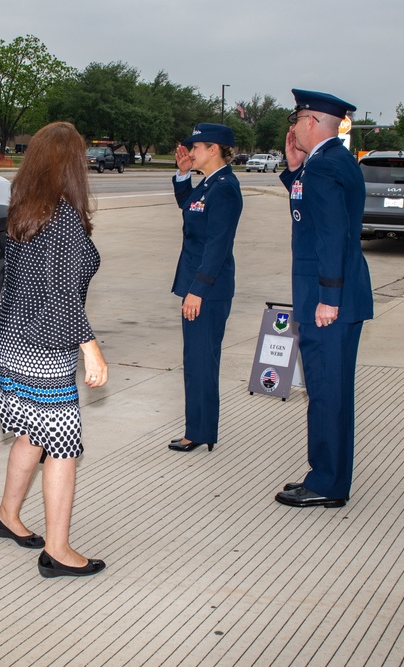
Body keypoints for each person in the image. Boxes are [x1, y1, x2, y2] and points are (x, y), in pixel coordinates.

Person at [0, 121, 107, 578]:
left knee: (32, 434)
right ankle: (58, 549)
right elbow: (61, 295)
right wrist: (91, 349)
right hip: (44, 345)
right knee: (61, 443)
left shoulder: (23, 209)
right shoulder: (61, 219)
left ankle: (7, 515)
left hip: (12, 340)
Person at [274, 89, 373, 509]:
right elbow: (311, 215)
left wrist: (328, 297)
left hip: (328, 297)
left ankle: (328, 483)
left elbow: (332, 233)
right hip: (331, 293)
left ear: (311, 122)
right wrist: (293, 169)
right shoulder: (328, 162)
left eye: (296, 120)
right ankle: (327, 474)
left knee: (327, 391)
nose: (292, 128)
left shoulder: (327, 166)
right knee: (327, 389)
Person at [168, 123, 243, 452]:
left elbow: (217, 245)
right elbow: (190, 207)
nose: (190, 152)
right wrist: (183, 175)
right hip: (198, 284)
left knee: (201, 360)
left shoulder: (225, 188)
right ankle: (198, 429)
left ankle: (198, 432)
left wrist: (197, 290)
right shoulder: (209, 184)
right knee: (196, 359)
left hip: (207, 290)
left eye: (195, 148)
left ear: (214, 149)